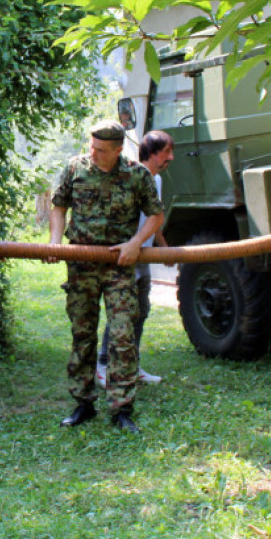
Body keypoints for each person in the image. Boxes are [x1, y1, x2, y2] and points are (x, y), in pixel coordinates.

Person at [48, 120, 163, 434]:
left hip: (118, 267)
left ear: (118, 150)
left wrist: (135, 243)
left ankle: (122, 409)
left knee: (123, 336)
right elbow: (58, 207)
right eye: (92, 146)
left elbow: (156, 215)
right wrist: (56, 242)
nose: (93, 153)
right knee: (82, 335)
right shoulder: (75, 169)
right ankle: (83, 404)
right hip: (81, 265)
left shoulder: (137, 174)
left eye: (100, 150)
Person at [96, 130, 174, 388]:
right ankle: (104, 365)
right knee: (121, 311)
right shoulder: (129, 177)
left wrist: (163, 248)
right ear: (151, 153)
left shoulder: (157, 181)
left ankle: (132, 365)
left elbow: (155, 217)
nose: (171, 158)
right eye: (166, 153)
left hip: (145, 256)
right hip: (126, 256)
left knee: (141, 311)